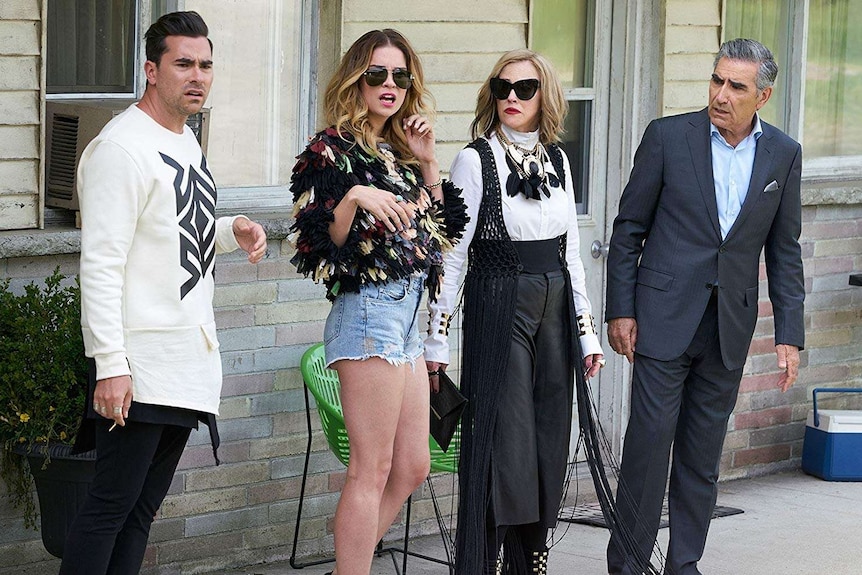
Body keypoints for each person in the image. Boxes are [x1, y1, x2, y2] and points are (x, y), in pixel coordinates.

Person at [60, 11, 267, 575]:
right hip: (140, 362)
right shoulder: (120, 149)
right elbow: (100, 264)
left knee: (138, 513)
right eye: (183, 64)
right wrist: (110, 364)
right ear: (151, 70)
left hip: (186, 360)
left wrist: (231, 231)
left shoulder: (184, 141)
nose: (196, 76)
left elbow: (176, 232)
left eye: (205, 65)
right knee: (109, 508)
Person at [605, 38, 804, 575]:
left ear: (762, 96)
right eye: (717, 80)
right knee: (648, 450)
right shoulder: (669, 137)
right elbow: (629, 230)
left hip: (728, 327)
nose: (720, 94)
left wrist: (790, 333)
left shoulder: (782, 154)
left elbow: (784, 251)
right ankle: (627, 564)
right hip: (662, 320)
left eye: (736, 86)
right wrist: (620, 309)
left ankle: (684, 563)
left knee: (701, 456)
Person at [288, 29, 467, 575]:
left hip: (408, 317)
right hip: (369, 310)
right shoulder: (329, 150)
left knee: (412, 466)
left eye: (399, 76)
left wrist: (430, 164)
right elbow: (313, 241)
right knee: (371, 469)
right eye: (376, 75)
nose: (389, 85)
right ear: (355, 80)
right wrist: (353, 197)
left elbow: (443, 233)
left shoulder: (400, 151)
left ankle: (351, 554)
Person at [424, 49, 604, 575]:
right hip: (499, 304)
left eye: (524, 89)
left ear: (543, 95)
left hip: (554, 308)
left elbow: (571, 254)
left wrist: (587, 334)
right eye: (502, 88)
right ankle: (490, 561)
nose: (511, 98)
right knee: (509, 443)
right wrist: (436, 343)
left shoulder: (559, 160)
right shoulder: (473, 160)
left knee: (549, 438)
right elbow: (452, 257)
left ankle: (531, 560)